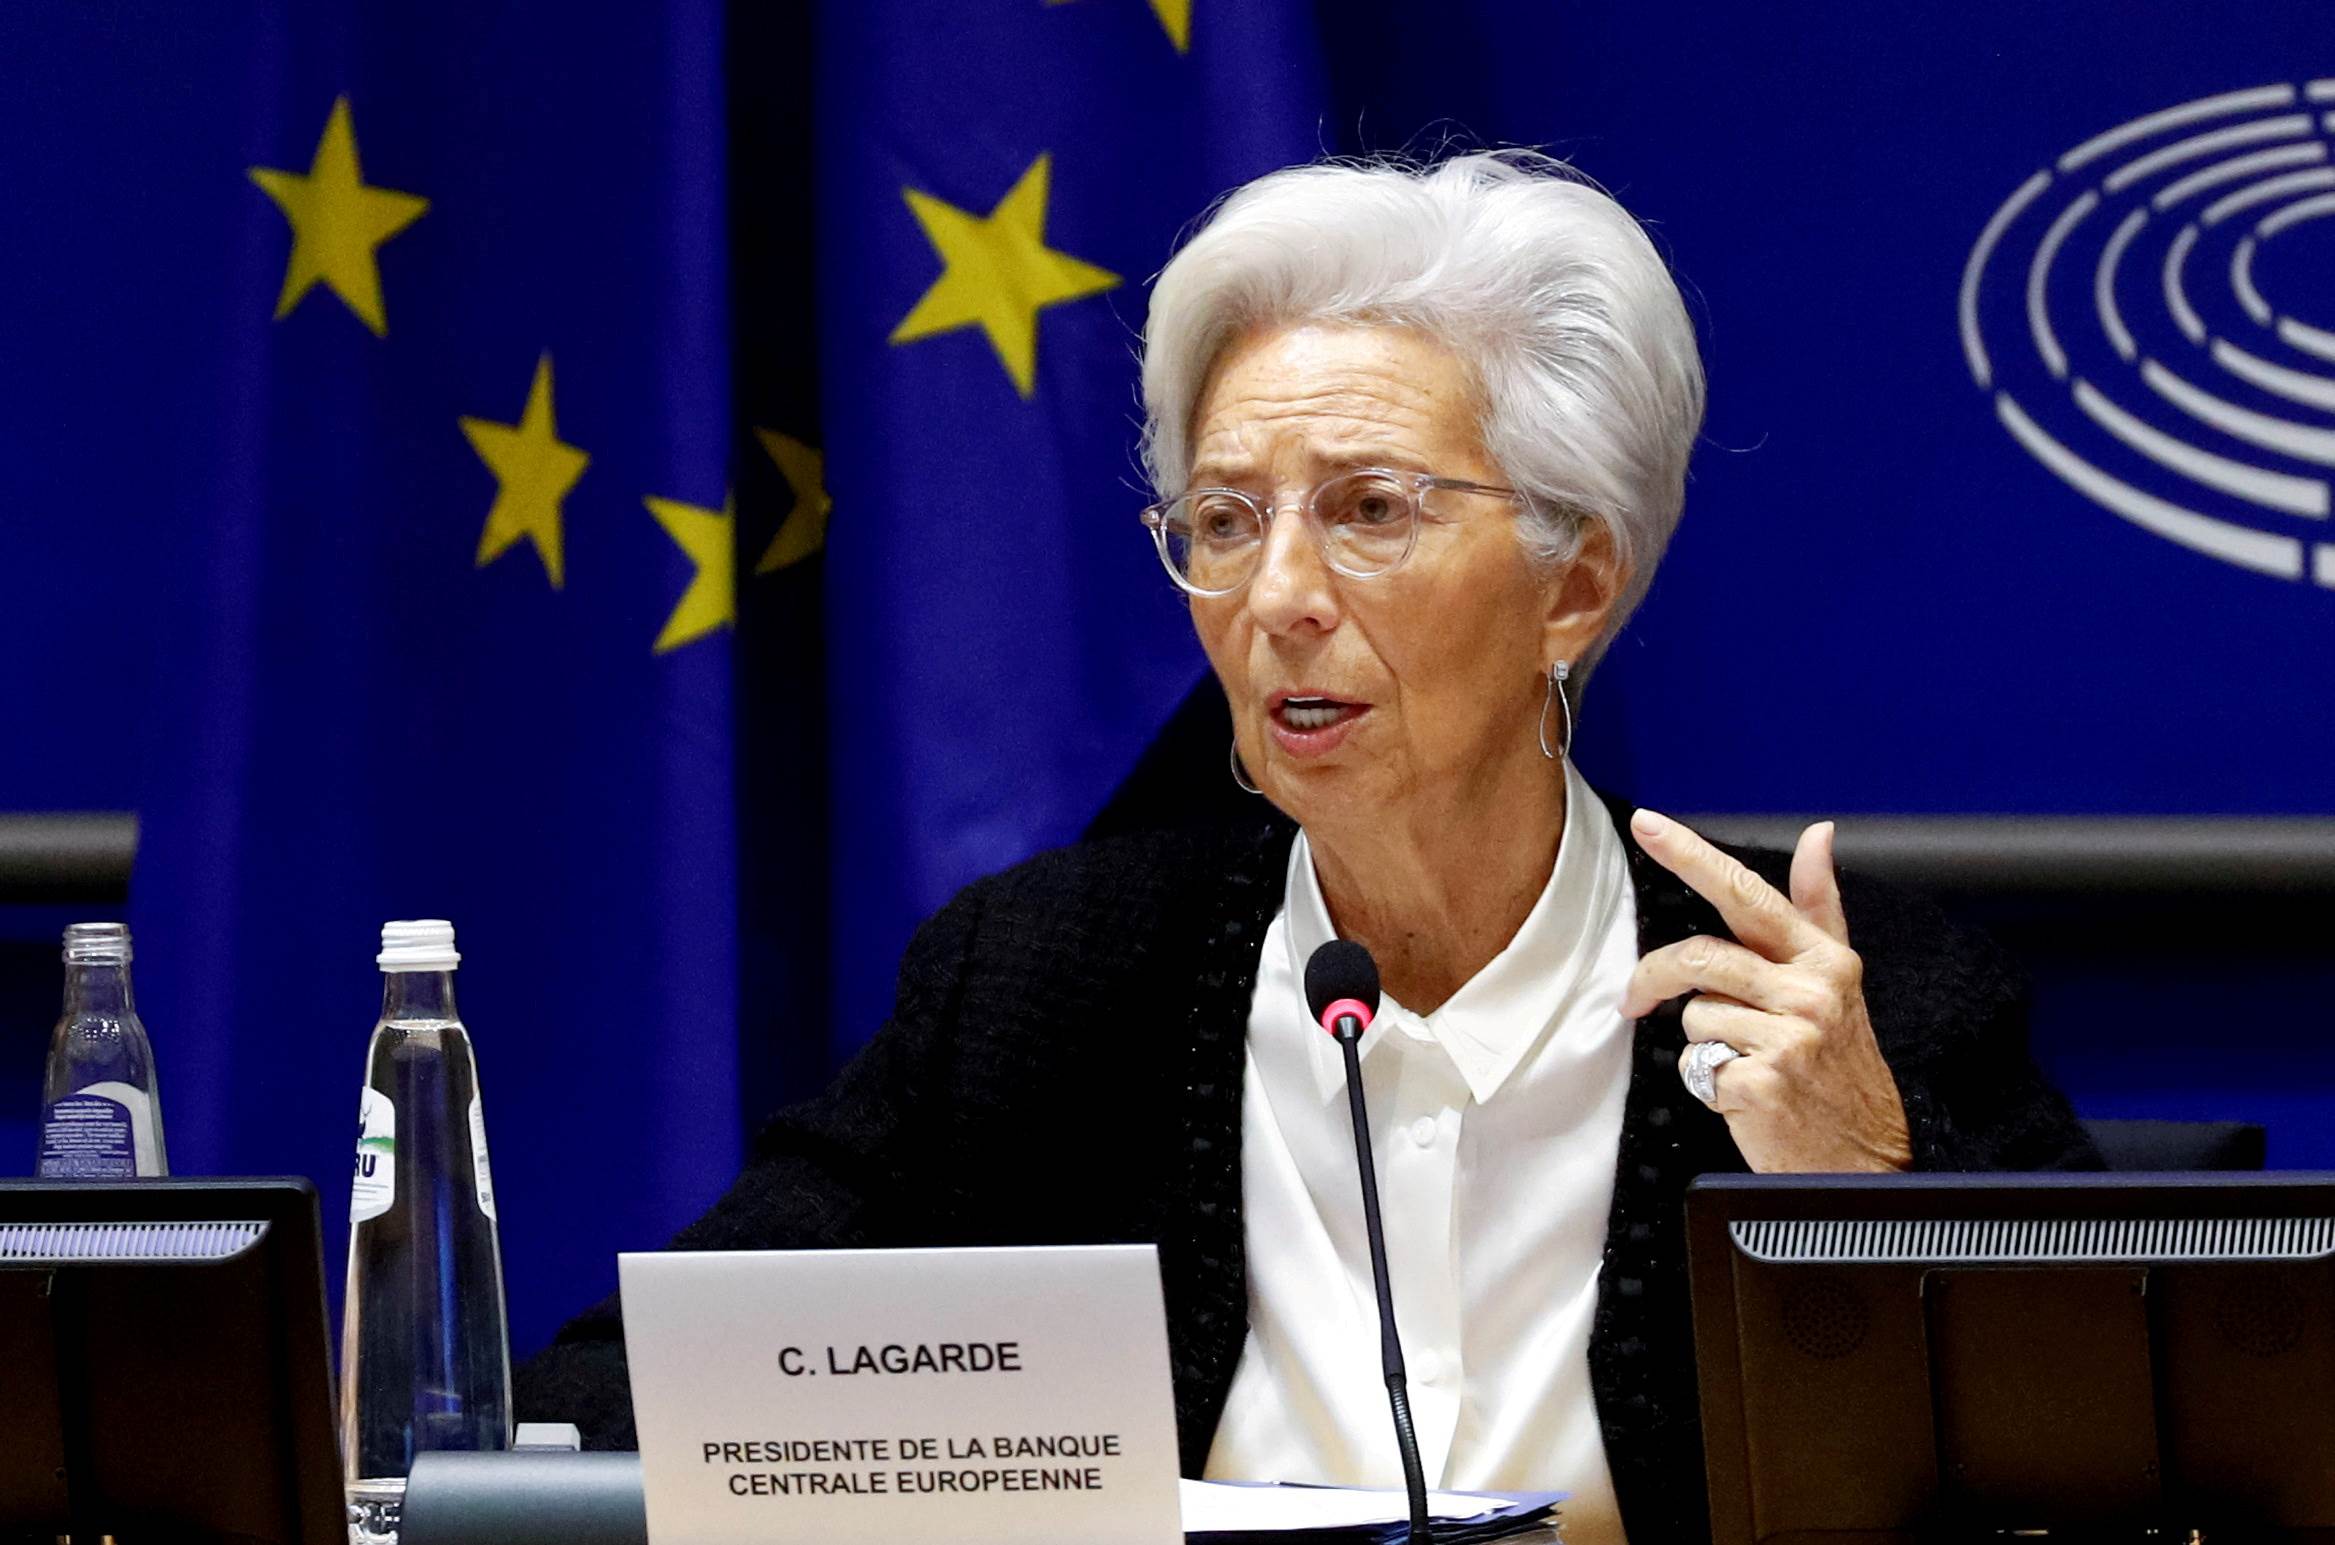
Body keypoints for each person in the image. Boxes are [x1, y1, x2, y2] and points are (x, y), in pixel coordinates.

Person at [516, 151, 2097, 1544]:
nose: (1276, 598)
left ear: (1573, 588)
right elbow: (625, 1400)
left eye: (1368, 510)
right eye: (1223, 519)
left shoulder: (1845, 1012)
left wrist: (1866, 1201)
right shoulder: (1048, 989)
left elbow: (2110, 1483)